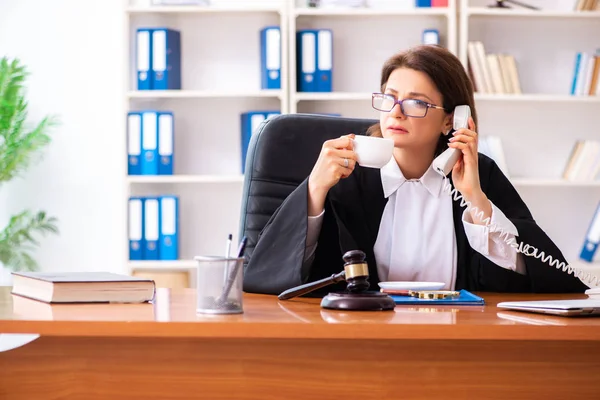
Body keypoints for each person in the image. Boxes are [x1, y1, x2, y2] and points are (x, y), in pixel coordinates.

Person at [243, 45, 589, 297]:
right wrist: (315, 190)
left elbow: (548, 277)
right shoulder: (349, 176)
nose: (396, 112)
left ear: (451, 119)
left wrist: (476, 201)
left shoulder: (476, 173)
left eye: (416, 102)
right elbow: (280, 277)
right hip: (361, 341)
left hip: (458, 343)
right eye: (389, 97)